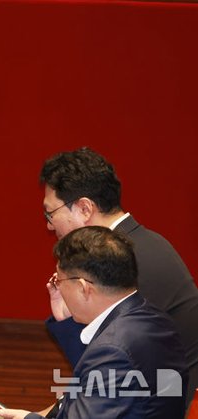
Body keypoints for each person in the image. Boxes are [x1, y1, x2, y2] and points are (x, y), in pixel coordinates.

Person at [39, 147, 198, 408]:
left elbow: (106, 376)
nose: (49, 224)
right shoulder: (141, 243)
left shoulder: (124, 262)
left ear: (85, 208)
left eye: (51, 213)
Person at [0, 226, 188, 418]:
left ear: (83, 287)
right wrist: (68, 321)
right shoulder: (156, 320)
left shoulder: (113, 351)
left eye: (59, 281)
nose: (58, 289)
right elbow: (93, 383)